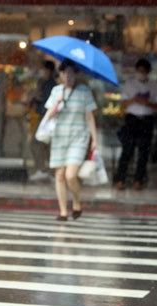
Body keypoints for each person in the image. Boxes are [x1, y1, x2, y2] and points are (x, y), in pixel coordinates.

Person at [44, 59, 98, 221]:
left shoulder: (84, 92)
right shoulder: (56, 91)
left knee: (70, 175)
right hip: (59, 137)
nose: (68, 76)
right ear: (60, 75)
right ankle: (62, 211)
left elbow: (89, 117)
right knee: (59, 175)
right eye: (64, 72)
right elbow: (48, 116)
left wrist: (94, 139)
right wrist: (57, 104)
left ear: (76, 74)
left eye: (71, 73)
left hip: (78, 138)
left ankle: (76, 201)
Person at [114, 58, 157, 190]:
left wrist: (148, 103)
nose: (141, 73)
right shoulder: (129, 84)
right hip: (132, 119)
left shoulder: (154, 85)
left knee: (144, 152)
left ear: (148, 72)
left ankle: (138, 180)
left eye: (144, 71)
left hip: (147, 119)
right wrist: (134, 99)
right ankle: (120, 179)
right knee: (127, 150)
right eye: (139, 71)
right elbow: (122, 103)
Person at [29, 60, 57, 181]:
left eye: (43, 69)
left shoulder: (51, 85)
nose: (41, 72)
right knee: (43, 145)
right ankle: (47, 170)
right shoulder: (44, 83)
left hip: (46, 120)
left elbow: (46, 103)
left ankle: (45, 170)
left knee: (38, 144)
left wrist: (36, 96)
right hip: (42, 119)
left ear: (48, 70)